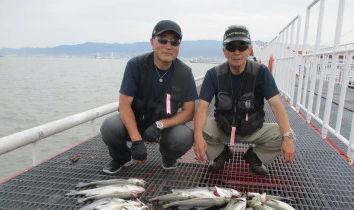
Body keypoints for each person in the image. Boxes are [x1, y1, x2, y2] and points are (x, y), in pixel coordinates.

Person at [193, 25, 295, 175]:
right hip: (224, 128)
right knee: (195, 130)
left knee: (288, 134)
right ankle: (221, 153)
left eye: (242, 47)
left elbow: (276, 106)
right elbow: (202, 109)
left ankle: (255, 156)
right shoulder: (213, 74)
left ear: (249, 50)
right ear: (224, 51)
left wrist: (287, 138)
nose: (236, 52)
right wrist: (197, 137)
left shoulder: (261, 72)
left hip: (253, 129)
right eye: (231, 47)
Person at [100, 20, 198, 174]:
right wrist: (136, 140)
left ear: (179, 46)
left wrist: (160, 124)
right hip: (136, 121)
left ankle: (168, 156)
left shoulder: (185, 73)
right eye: (163, 40)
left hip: (164, 127)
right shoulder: (135, 65)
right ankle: (121, 158)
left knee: (184, 136)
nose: (168, 45)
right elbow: (124, 105)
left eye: (174, 42)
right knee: (109, 126)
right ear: (152, 42)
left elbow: (189, 111)